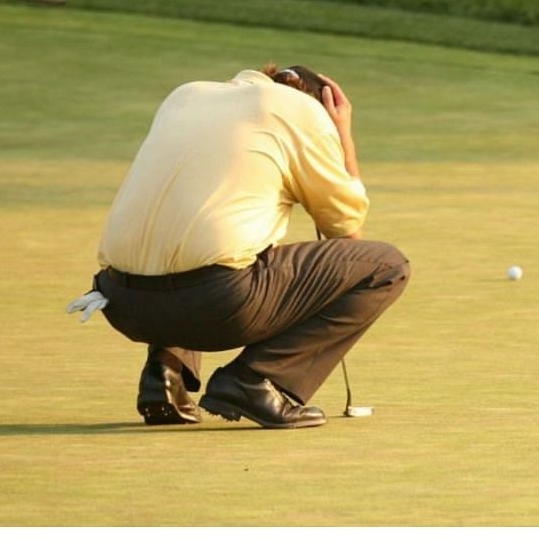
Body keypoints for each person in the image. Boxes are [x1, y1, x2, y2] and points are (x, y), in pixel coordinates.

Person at [80, 64, 407, 428]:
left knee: (202, 236)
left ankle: (165, 373)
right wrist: (342, 134)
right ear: (322, 104)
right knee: (385, 266)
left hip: (121, 303)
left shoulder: (186, 95)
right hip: (217, 304)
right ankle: (258, 380)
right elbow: (345, 231)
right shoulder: (303, 111)